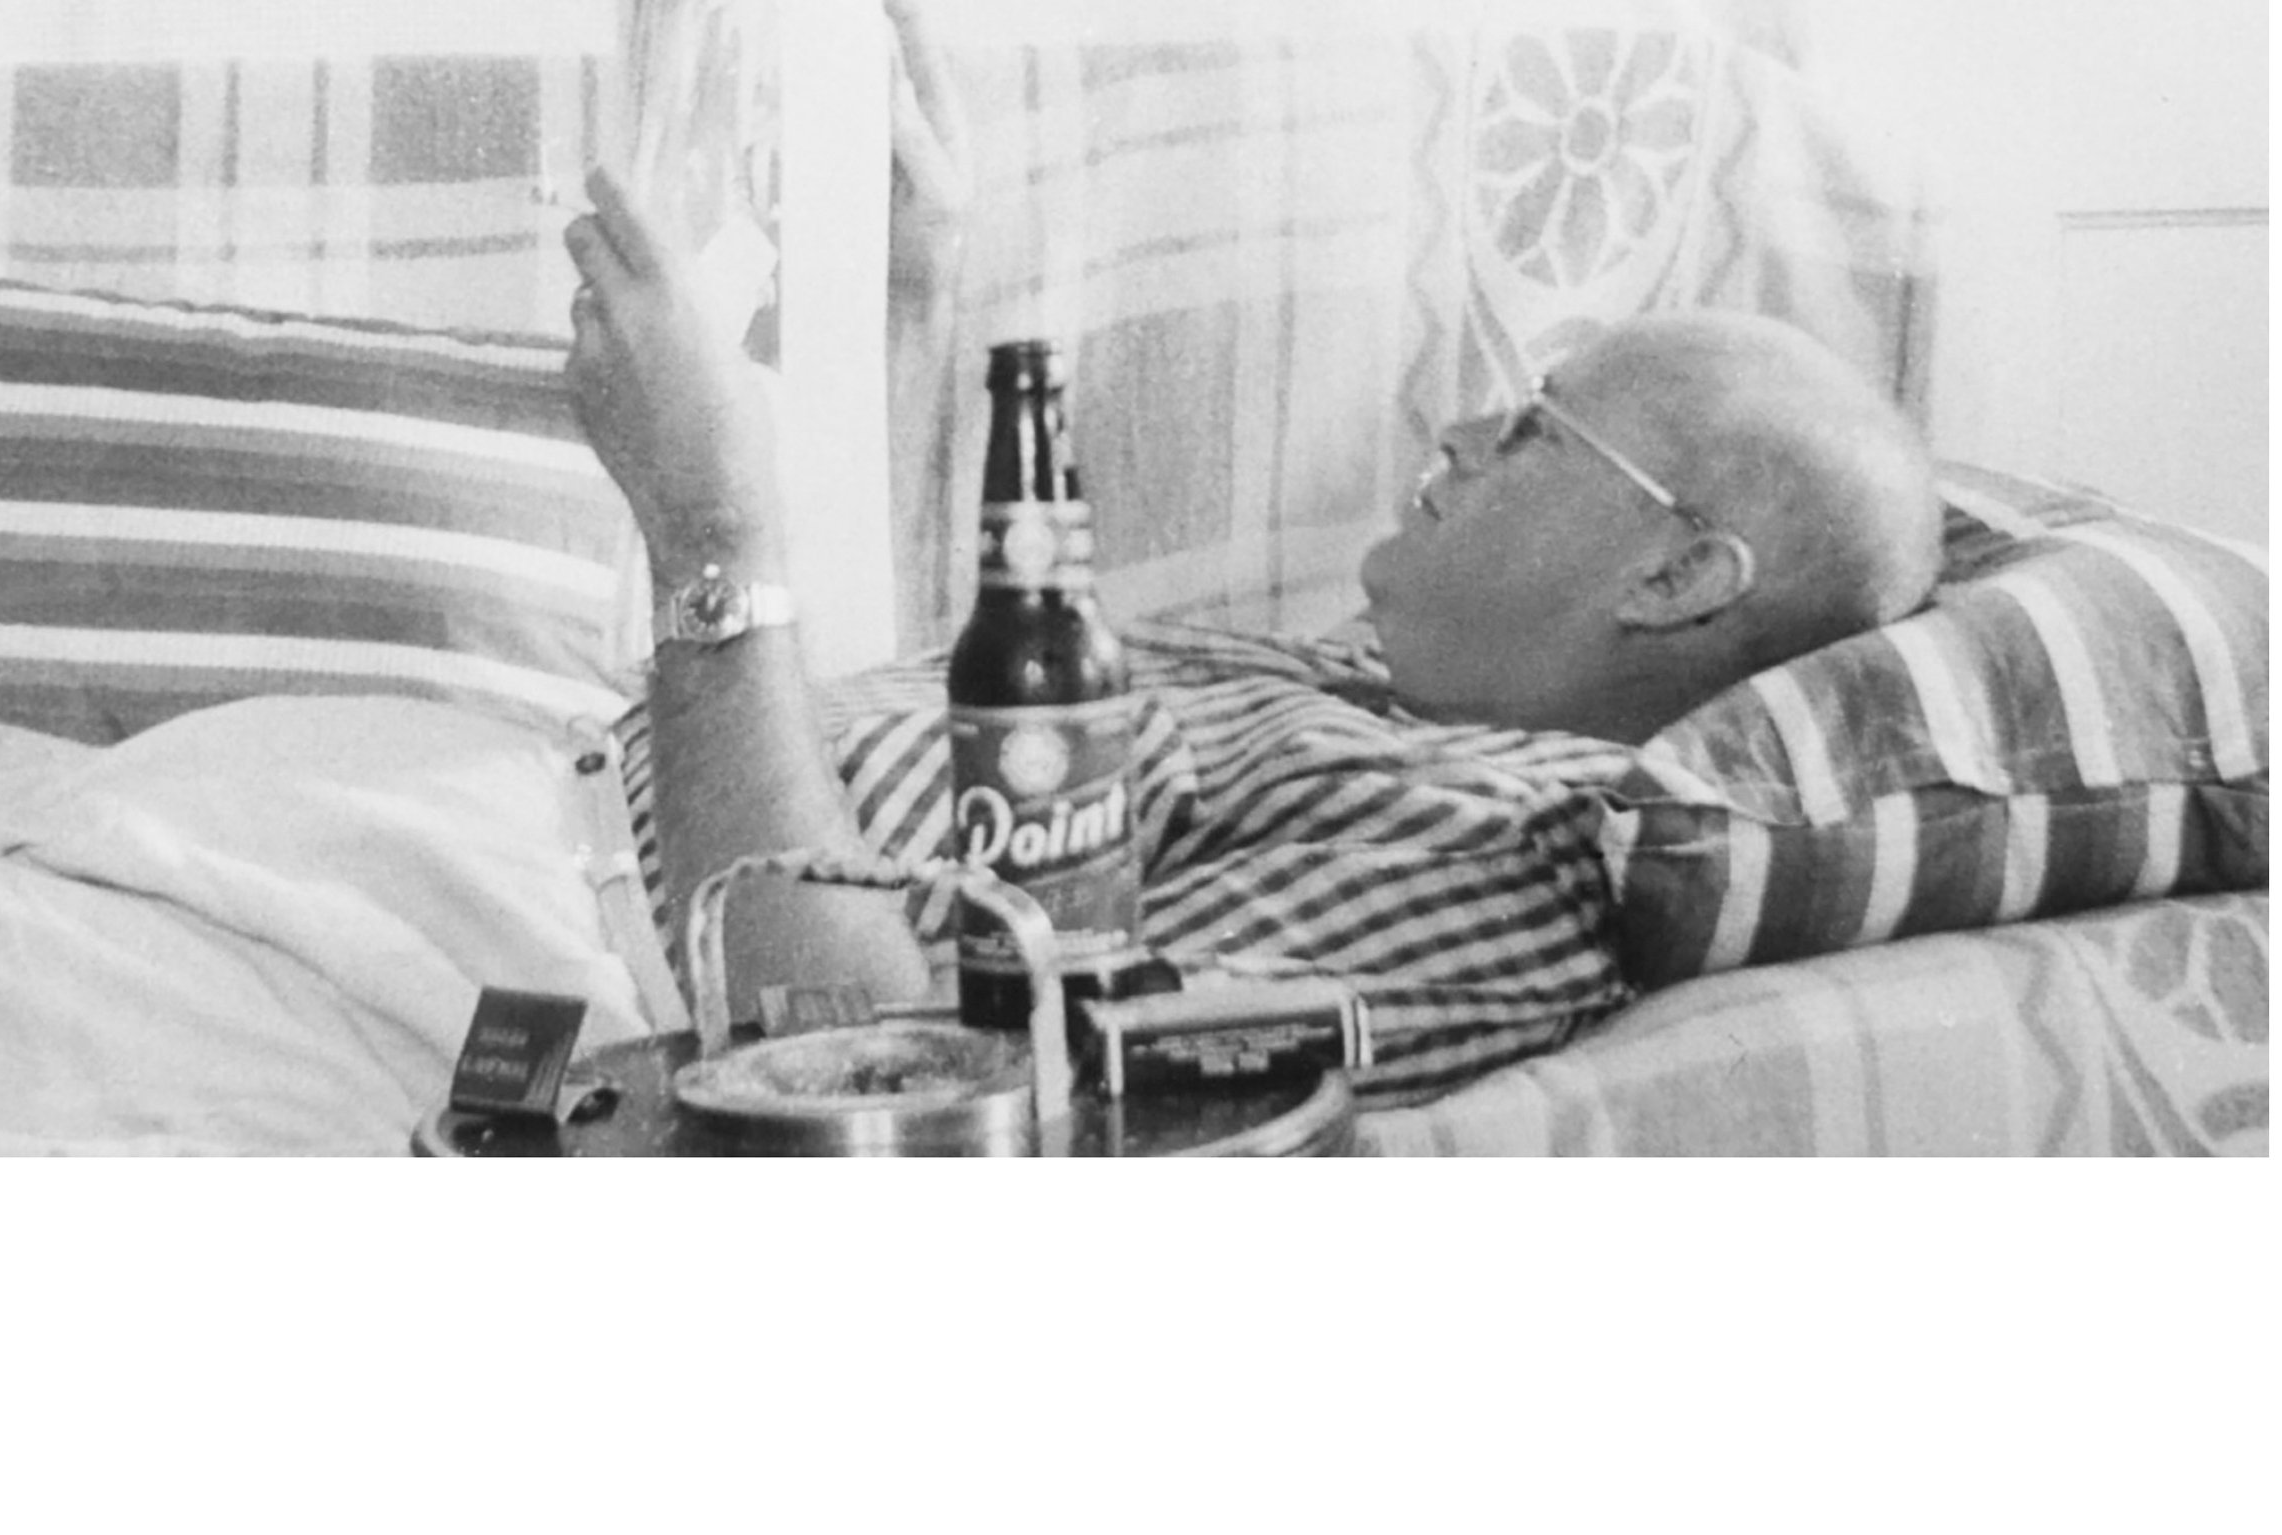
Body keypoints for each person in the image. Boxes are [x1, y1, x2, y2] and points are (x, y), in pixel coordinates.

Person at [563, 165, 1941, 1095]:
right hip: (571, 820)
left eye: (1537, 429)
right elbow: (945, 758)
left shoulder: (1500, 855)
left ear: (1678, 578)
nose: (1462, 431)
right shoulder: (1360, 682)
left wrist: (711, 536)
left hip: (589, 966)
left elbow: (899, 1092)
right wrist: (907, 293)